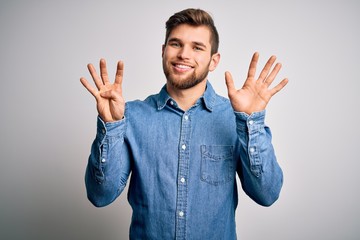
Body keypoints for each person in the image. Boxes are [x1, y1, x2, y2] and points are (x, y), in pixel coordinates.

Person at [80, 8, 288, 240]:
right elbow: (100, 196)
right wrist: (111, 126)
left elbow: (267, 194)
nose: (183, 55)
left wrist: (251, 123)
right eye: (176, 44)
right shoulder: (130, 116)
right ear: (163, 51)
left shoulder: (234, 117)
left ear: (213, 60)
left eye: (197, 47)